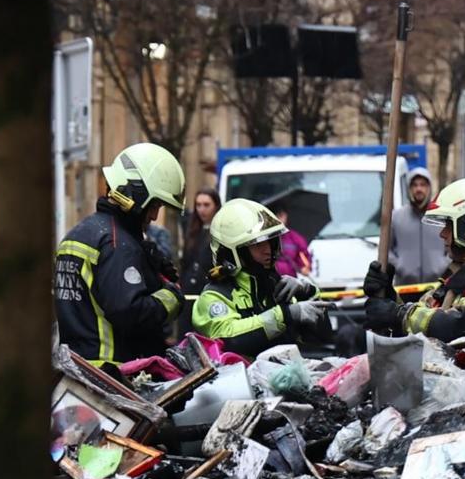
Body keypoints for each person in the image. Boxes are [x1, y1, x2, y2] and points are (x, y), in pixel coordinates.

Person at [54, 142, 186, 375]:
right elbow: (130, 313)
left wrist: (150, 272)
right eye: (154, 205)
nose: (155, 216)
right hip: (114, 375)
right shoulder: (117, 244)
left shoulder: (78, 233)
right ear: (135, 194)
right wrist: (172, 294)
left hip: (76, 371)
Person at [363, 177, 465, 342]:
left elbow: (461, 325)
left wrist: (399, 315)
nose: (442, 233)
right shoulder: (458, 276)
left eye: (449, 225)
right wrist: (390, 297)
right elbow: (427, 315)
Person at [192, 198, 329, 358]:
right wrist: (285, 315)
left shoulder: (276, 287)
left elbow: (320, 337)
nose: (268, 250)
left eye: (270, 241)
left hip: (283, 379)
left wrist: (307, 293)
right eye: (257, 244)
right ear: (235, 251)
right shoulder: (214, 297)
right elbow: (228, 339)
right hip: (238, 381)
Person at [389, 166, 445, 286]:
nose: (419, 189)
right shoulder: (396, 217)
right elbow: (386, 250)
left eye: (423, 184)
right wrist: (401, 267)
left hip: (436, 287)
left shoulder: (441, 216)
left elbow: (453, 249)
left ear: (429, 188)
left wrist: (442, 266)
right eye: (414, 185)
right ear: (409, 188)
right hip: (405, 287)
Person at [181, 188, 221, 295]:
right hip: (188, 289)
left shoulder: (221, 232)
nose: (201, 209)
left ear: (216, 206)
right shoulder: (192, 230)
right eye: (198, 205)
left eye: (206, 205)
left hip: (210, 290)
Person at [272, 202, 312, 278]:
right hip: (270, 280)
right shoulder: (264, 238)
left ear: (286, 216)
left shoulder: (294, 238)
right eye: (276, 216)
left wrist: (304, 267)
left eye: (281, 216)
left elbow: (303, 256)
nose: (279, 219)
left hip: (291, 281)